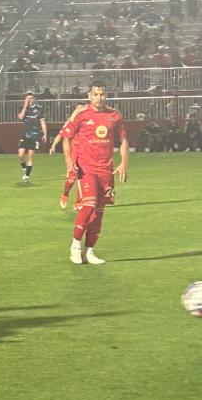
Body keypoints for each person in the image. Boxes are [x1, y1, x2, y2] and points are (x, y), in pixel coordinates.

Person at [59, 82, 128, 266]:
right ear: (89, 95)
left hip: (105, 170)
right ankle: (75, 247)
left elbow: (123, 140)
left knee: (99, 212)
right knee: (88, 206)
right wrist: (69, 163)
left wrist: (124, 163)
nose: (99, 98)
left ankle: (89, 251)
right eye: (96, 94)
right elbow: (66, 137)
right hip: (86, 168)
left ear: (106, 95)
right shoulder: (81, 115)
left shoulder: (114, 115)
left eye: (102, 94)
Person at [48, 103, 86, 208]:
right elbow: (61, 135)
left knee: (83, 177)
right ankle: (65, 194)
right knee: (72, 177)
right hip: (73, 153)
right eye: (78, 109)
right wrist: (54, 145)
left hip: (84, 153)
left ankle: (79, 202)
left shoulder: (87, 122)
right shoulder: (69, 124)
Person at [17, 91, 47, 183]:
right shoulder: (23, 108)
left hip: (35, 135)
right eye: (28, 98)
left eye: (31, 98)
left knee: (30, 155)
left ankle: (26, 176)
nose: (30, 100)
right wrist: (25, 105)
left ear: (34, 99)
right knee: (20, 155)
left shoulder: (39, 109)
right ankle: (25, 168)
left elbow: (42, 121)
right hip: (25, 134)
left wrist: (45, 133)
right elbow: (20, 117)